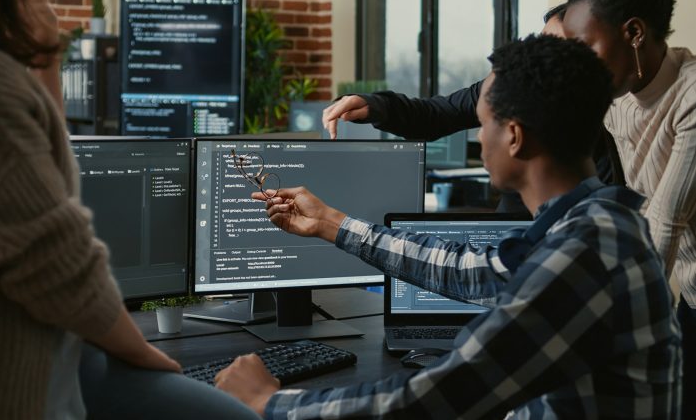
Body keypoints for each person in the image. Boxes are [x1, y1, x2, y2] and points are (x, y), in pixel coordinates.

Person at [215, 35, 681, 419]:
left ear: (514, 137)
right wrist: (331, 224)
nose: (478, 137)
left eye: (481, 124)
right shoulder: (595, 226)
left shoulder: (585, 256)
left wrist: (268, 403)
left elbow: (435, 400)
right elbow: (468, 270)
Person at [0, 0, 259, 418]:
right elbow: (62, 267)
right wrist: (149, 359)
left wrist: (44, 60)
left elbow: (48, 175)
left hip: (10, 357)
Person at [322, 4, 625, 215]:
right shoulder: (509, 87)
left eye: (557, 48)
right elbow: (434, 114)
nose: (541, 57)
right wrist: (376, 105)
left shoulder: (608, 122)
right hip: (511, 236)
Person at [561, 0, 696, 417]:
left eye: (586, 48)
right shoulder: (618, 95)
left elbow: (665, 221)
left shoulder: (691, 95)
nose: (581, 65)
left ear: (634, 32)